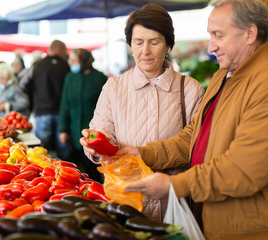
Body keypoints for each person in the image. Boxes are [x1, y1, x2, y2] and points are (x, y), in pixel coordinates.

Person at [104, 0, 268, 239]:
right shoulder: (223, 75)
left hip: (249, 228)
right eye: (210, 36)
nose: (211, 47)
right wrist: (144, 153)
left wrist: (174, 186)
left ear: (249, 33)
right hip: (214, 219)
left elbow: (244, 169)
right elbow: (194, 136)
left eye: (218, 35)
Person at [80, 3, 205, 222]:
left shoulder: (191, 90)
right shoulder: (114, 88)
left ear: (168, 44)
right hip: (125, 205)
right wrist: (97, 145)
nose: (144, 51)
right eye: (138, 43)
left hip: (174, 206)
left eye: (154, 42)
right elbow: (100, 137)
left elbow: (196, 147)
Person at [58, 48, 107, 182]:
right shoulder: (70, 78)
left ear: (85, 61)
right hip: (73, 131)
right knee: (74, 170)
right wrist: (63, 129)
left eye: (74, 61)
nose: (71, 63)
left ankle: (96, 196)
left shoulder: (100, 78)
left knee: (93, 170)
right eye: (70, 60)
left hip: (93, 133)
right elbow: (65, 104)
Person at [32, 40, 72, 160]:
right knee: (63, 151)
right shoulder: (65, 66)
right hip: (61, 112)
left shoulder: (39, 64)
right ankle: (65, 175)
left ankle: (45, 176)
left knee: (43, 152)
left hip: (42, 112)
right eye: (65, 51)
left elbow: (25, 84)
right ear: (59, 49)